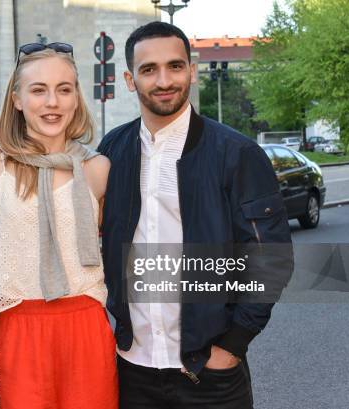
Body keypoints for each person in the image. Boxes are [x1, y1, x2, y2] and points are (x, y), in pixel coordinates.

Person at [97, 21, 293, 409]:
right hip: (132, 369)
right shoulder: (112, 151)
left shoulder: (236, 153)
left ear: (191, 69)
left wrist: (233, 345)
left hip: (210, 373)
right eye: (149, 69)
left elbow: (271, 259)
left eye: (175, 66)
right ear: (130, 79)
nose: (164, 80)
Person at [0, 44, 118, 409]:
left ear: (76, 98)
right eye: (38, 90)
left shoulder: (98, 169)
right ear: (17, 99)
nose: (52, 101)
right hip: (19, 325)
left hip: (85, 324)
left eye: (64, 89)